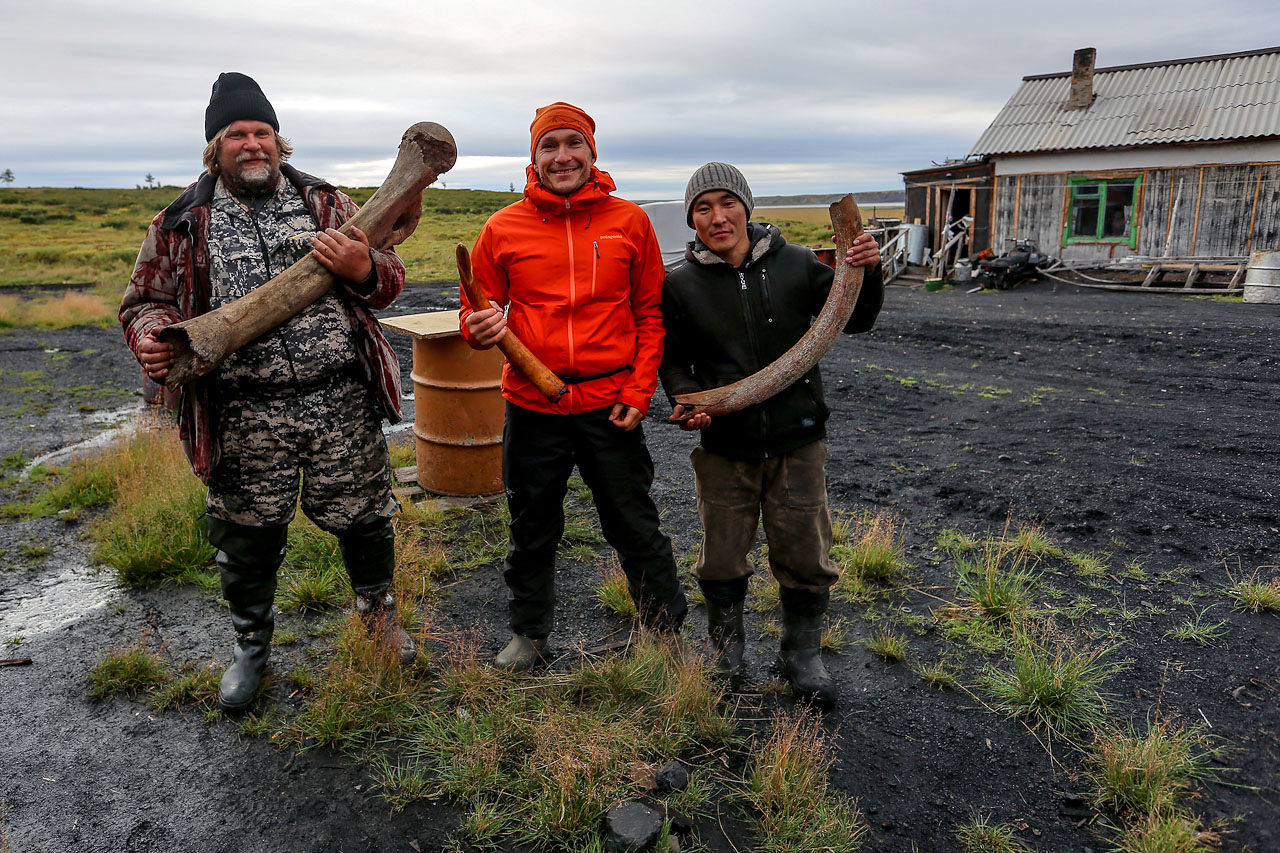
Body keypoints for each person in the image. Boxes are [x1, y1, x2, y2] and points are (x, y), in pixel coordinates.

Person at [119, 72, 415, 713]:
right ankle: (251, 646)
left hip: (338, 398)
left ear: (279, 142)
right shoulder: (179, 224)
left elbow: (390, 281)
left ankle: (377, 615)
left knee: (366, 517)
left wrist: (362, 269)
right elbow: (144, 303)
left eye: (261, 132)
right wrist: (149, 337)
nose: (251, 144)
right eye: (236, 135)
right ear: (214, 148)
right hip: (242, 411)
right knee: (247, 533)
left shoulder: (330, 205)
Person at [460, 101, 688, 671]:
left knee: (633, 522)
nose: (562, 156)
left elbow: (650, 316)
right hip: (532, 404)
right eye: (549, 145)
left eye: (572, 143)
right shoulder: (502, 227)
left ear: (592, 151)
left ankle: (662, 632)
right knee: (532, 525)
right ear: (533, 157)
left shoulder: (629, 222)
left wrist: (638, 393)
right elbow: (475, 309)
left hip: (609, 403)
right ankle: (529, 634)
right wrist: (478, 328)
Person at [659, 163, 884, 708]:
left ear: (746, 206)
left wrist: (868, 271)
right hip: (724, 446)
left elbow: (853, 319)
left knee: (806, 554)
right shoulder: (681, 286)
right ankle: (726, 651)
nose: (718, 217)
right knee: (721, 558)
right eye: (703, 208)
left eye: (727, 203)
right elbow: (675, 362)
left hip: (797, 440)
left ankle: (801, 656)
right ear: (691, 219)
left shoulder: (797, 264)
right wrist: (689, 403)